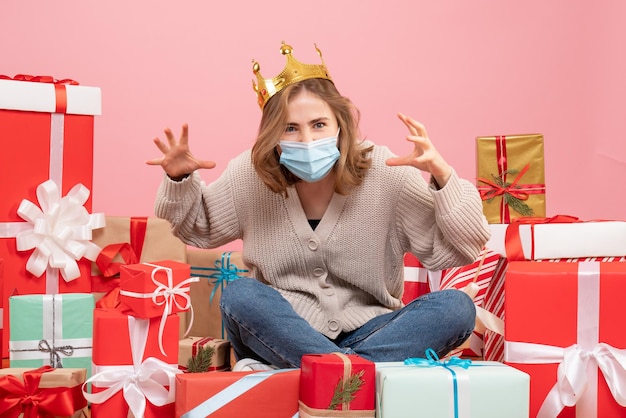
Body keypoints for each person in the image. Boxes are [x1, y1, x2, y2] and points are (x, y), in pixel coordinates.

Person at [147, 42, 490, 370]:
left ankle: (335, 377)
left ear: (341, 125)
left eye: (319, 125)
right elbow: (198, 228)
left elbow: (461, 248)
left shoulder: (384, 172)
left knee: (456, 307)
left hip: (374, 331)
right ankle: (355, 376)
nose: (307, 140)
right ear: (273, 135)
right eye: (291, 128)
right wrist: (180, 181)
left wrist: (442, 175)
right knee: (240, 295)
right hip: (284, 332)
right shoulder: (250, 175)